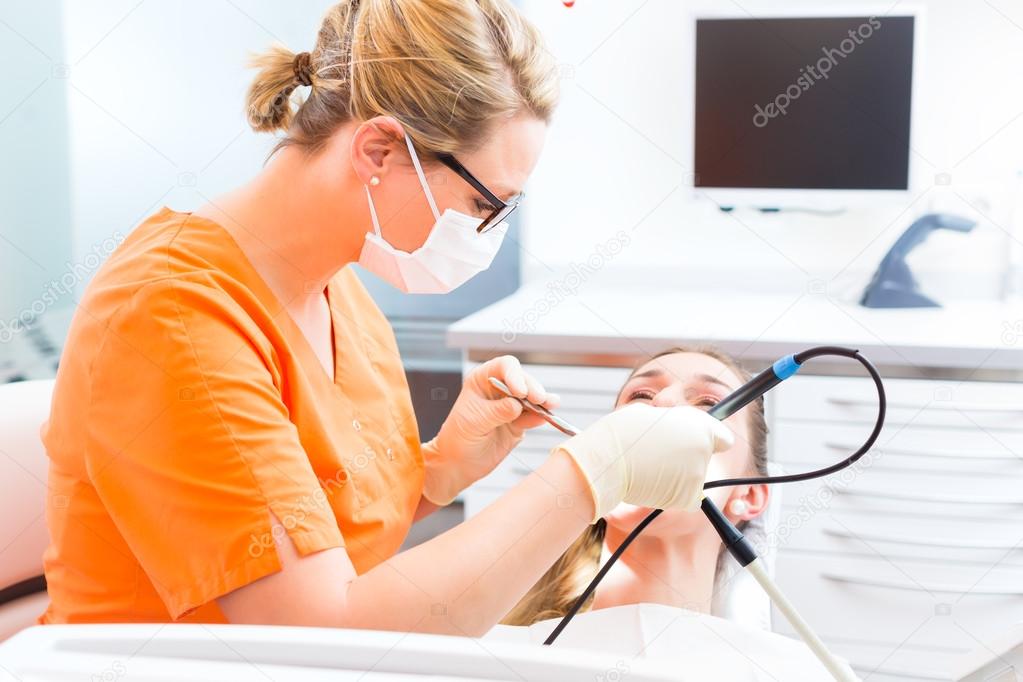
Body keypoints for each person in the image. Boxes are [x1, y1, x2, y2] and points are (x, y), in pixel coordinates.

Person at [38, 0, 735, 635]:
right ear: (378, 151)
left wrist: (441, 468)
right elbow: (317, 634)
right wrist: (589, 474)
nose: (487, 232)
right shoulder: (172, 315)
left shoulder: (336, 285)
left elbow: (319, 529)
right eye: (483, 204)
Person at [502, 346, 770, 626]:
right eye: (641, 395)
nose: (663, 402)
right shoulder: (500, 641)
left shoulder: (762, 668)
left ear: (749, 494)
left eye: (708, 402)